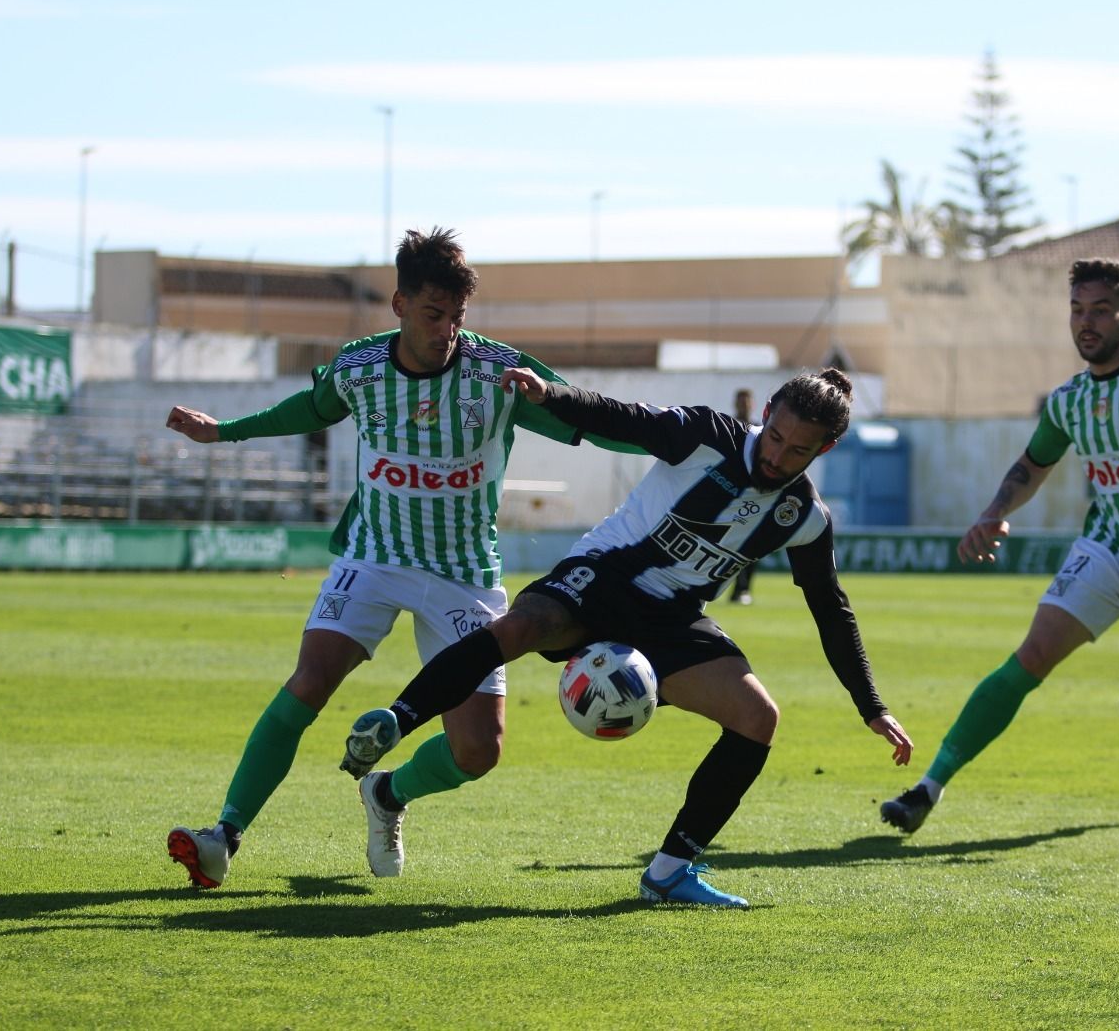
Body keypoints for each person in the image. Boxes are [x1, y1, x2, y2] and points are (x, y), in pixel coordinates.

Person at [163, 227, 636, 889]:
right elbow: (311, 407)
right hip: (373, 560)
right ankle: (224, 836)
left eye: (457, 318)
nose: (446, 331)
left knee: (479, 750)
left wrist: (689, 446)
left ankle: (387, 794)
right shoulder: (359, 369)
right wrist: (225, 431)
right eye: (433, 315)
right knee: (309, 682)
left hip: (463, 576)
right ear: (400, 305)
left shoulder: (500, 376)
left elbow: (598, 420)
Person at [340, 366, 913, 906]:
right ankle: (397, 719)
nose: (778, 455)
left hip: (671, 617)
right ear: (767, 413)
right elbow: (623, 418)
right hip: (603, 576)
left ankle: (669, 872)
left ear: (824, 450)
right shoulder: (705, 436)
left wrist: (872, 705)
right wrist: (550, 395)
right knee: (521, 627)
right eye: (776, 437)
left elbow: (831, 610)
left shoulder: (805, 516)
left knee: (757, 717)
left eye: (798, 450)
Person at [880, 258, 1119, 834]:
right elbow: (1032, 465)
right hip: (1109, 548)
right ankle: (927, 788)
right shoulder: (1069, 401)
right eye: (1077, 310)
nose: (1086, 323)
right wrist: (993, 512)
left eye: (1100, 311)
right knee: (1031, 655)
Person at [728, 387, 758, 604]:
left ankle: (743, 589)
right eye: (741, 402)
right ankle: (737, 588)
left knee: (754, 546)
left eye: (747, 402)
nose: (744, 405)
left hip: (755, 494)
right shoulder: (728, 427)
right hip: (731, 494)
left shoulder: (761, 429)